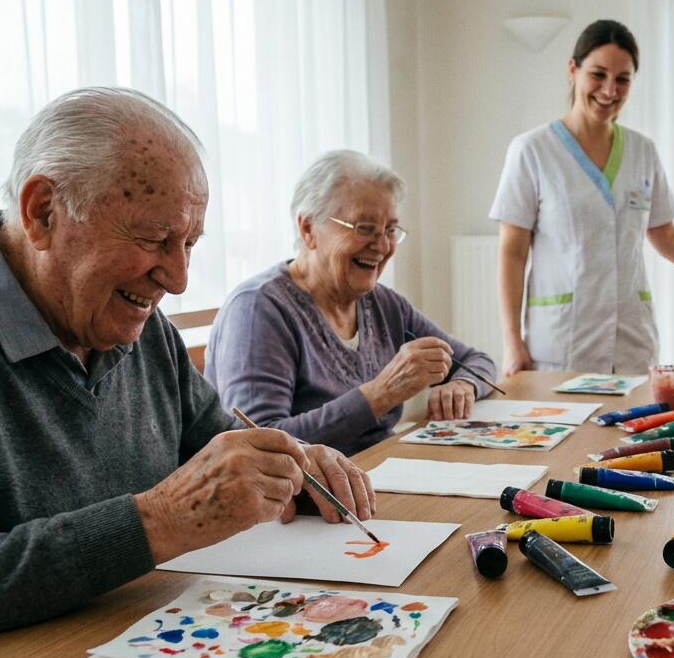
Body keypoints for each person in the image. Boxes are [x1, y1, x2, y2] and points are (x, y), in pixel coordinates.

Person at [0, 88, 374, 658]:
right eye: (154, 239)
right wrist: (157, 521)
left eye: (190, 244)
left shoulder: (137, 325)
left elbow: (217, 447)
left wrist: (289, 465)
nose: (177, 279)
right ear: (43, 212)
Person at [490, 19, 674, 377]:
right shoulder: (532, 151)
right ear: (573, 70)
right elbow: (513, 252)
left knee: (632, 432)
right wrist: (512, 341)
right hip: (562, 341)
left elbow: (667, 238)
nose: (610, 90)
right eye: (598, 74)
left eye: (623, 79)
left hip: (630, 339)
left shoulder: (642, 151)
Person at [207, 150, 496, 456]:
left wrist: (464, 385)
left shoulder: (383, 304)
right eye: (365, 228)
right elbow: (259, 446)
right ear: (308, 229)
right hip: (304, 499)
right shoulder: (259, 309)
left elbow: (477, 362)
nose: (383, 246)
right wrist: (380, 394)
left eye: (390, 230)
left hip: (378, 472)